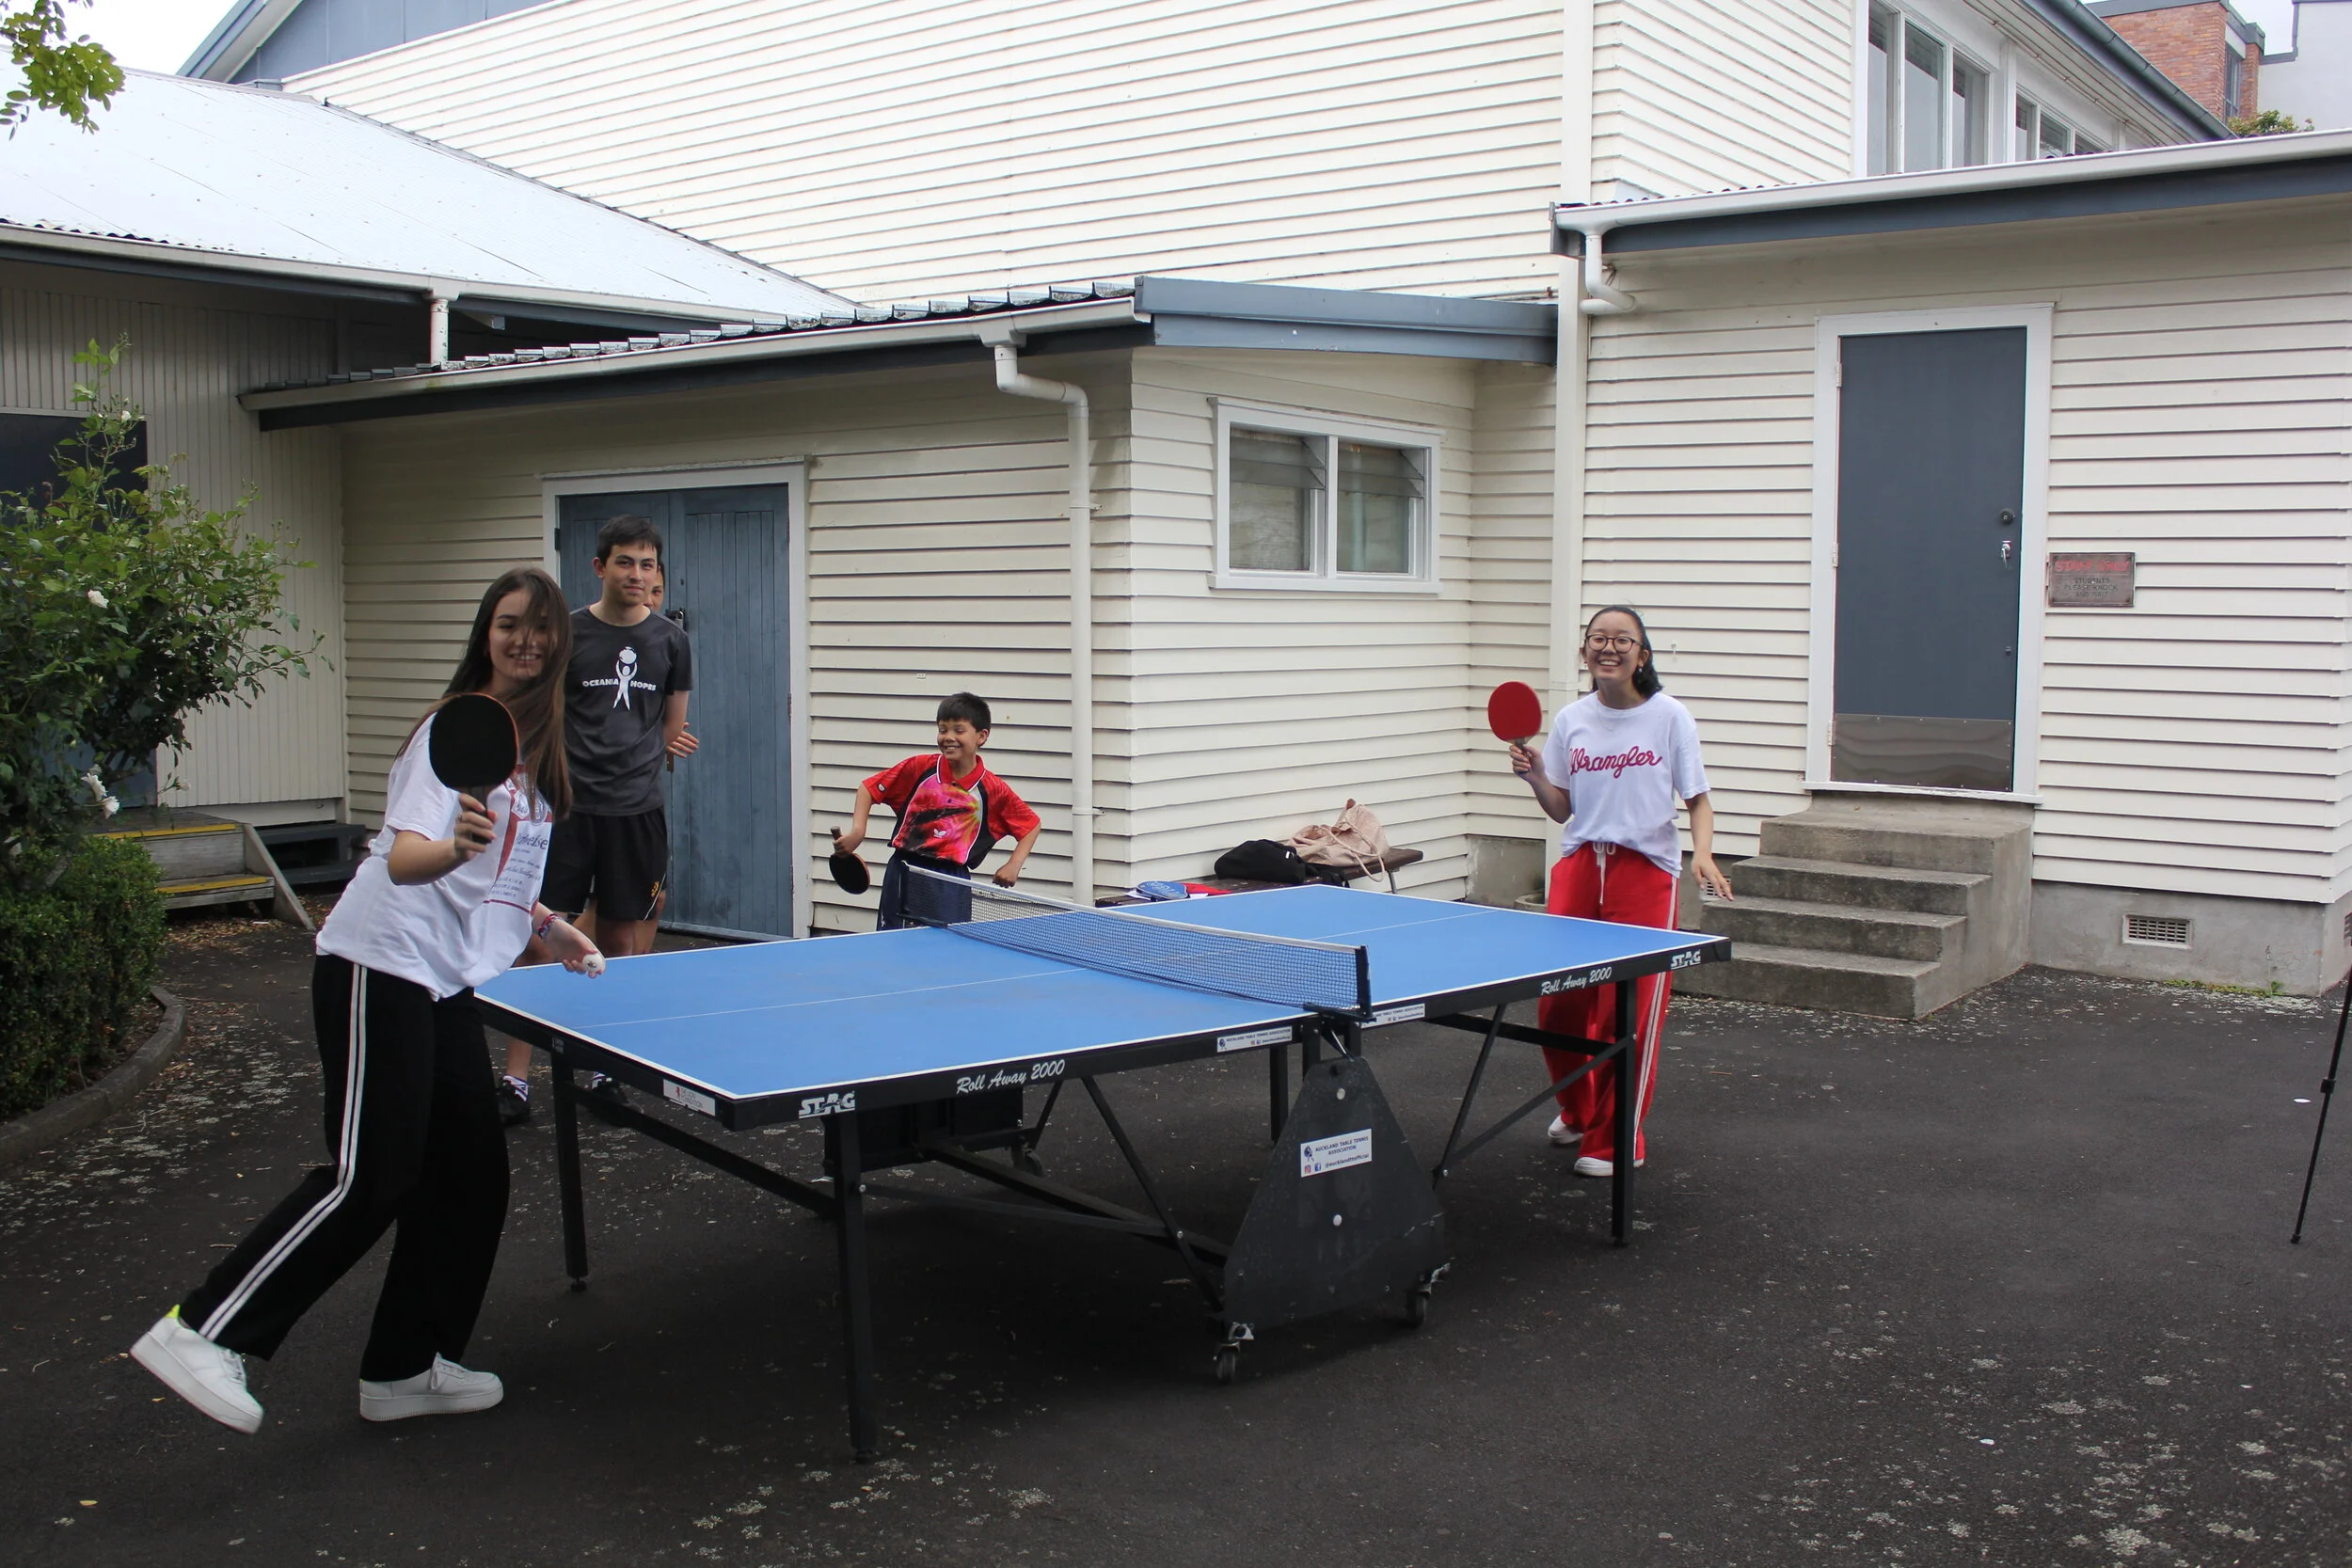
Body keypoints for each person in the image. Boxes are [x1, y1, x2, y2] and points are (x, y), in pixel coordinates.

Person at [129, 567, 605, 1433]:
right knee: (375, 1172)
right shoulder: (449, 732)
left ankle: (404, 1367)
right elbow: (405, 857)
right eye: (508, 625)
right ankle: (204, 1328)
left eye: (539, 628)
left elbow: (502, 870)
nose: (525, 641)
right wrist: (454, 848)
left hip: (443, 977)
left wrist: (548, 925)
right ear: (485, 632)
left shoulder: (536, 749)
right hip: (376, 963)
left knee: (471, 1174)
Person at [1507, 606, 1730, 1179]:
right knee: (1559, 1005)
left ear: (1642, 654)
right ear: (1585, 652)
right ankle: (1580, 1111)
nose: (1609, 648)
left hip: (1643, 873)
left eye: (1621, 640)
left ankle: (1615, 1140)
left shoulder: (1669, 718)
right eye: (1598, 639)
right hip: (1581, 867)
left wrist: (1701, 853)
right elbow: (1565, 808)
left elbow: (1698, 798)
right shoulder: (1570, 720)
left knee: (1622, 1015)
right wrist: (1536, 776)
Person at [498, 516, 693, 1125]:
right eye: (626, 562)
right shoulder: (569, 633)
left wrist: (642, 762)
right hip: (566, 811)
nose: (637, 575)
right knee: (539, 942)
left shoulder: (670, 640)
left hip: (636, 815)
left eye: (647, 565)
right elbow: (541, 712)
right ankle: (515, 1079)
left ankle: (609, 1067)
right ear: (600, 566)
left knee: (618, 943)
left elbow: (669, 726)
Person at [834, 691, 1041, 929]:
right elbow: (868, 789)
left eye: (958, 730)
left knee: (946, 952)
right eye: (943, 730)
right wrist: (858, 832)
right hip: (904, 871)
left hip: (950, 881)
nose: (948, 737)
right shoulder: (919, 768)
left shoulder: (992, 789)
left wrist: (1014, 864)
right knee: (893, 945)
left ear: (981, 736)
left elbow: (1030, 825)